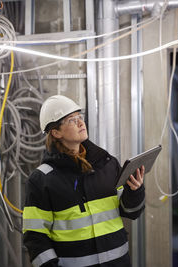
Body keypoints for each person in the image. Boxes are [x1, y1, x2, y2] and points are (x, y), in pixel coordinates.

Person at [23, 95, 146, 267]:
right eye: (72, 120)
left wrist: (135, 190)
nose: (81, 123)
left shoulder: (107, 164)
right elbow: (35, 237)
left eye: (80, 117)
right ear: (56, 132)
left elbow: (131, 212)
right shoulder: (42, 179)